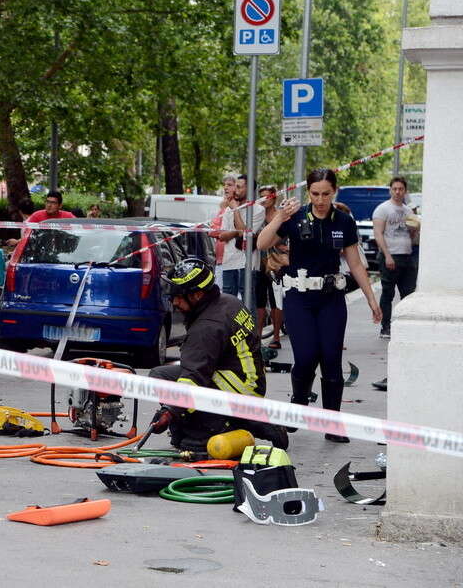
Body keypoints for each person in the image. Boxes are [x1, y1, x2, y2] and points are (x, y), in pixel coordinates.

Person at [257, 169, 381, 443]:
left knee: (331, 360)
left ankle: (333, 425)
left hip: (331, 299)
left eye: (326, 193)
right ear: (308, 192)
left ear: (334, 191)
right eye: (315, 193)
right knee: (305, 356)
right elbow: (262, 243)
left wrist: (372, 300)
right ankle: (299, 402)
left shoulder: (345, 221)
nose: (321, 199)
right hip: (299, 298)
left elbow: (356, 264)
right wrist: (280, 216)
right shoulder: (296, 216)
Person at [149, 257, 289, 450]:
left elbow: (194, 377)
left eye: (178, 296)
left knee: (180, 390)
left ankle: (219, 428)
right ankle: (252, 421)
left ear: (197, 295)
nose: (174, 302)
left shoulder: (207, 327)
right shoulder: (228, 302)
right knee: (160, 375)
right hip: (250, 382)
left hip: (239, 391)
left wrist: (170, 413)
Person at [372, 176, 418, 340]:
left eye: (401, 189)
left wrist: (414, 231)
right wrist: (387, 256)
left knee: (408, 294)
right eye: (395, 189)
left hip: (407, 256)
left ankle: (405, 325)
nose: (398, 192)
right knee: (388, 293)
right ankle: (386, 327)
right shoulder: (382, 209)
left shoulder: (408, 211)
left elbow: (412, 235)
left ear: (405, 191)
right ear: (390, 190)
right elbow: (378, 234)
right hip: (390, 256)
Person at [214, 175, 264, 301]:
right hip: (229, 262)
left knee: (248, 302)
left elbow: (244, 233)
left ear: (249, 190)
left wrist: (236, 210)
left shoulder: (258, 210)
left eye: (239, 187)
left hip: (247, 263)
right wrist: (237, 232)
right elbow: (222, 236)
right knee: (227, 302)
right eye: (235, 186)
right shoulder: (227, 209)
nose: (235, 190)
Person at [255, 185, 285, 349]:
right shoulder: (257, 216)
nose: (264, 200)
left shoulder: (279, 216)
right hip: (258, 263)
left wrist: (282, 245)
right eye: (262, 197)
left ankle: (276, 337)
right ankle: (257, 337)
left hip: (276, 264)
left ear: (274, 198)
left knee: (276, 301)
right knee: (259, 301)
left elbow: (286, 237)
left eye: (267, 197)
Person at [5, 191, 74, 247]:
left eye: (53, 203)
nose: (49, 205)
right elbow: (27, 235)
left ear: (60, 205)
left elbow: (82, 228)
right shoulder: (37, 216)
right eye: (47, 202)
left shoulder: (68, 216)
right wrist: (18, 241)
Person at [210, 174, 236, 287]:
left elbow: (215, 231)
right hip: (221, 260)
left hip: (233, 261)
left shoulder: (237, 207)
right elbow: (212, 231)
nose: (225, 188)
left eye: (229, 185)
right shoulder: (224, 207)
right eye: (225, 185)